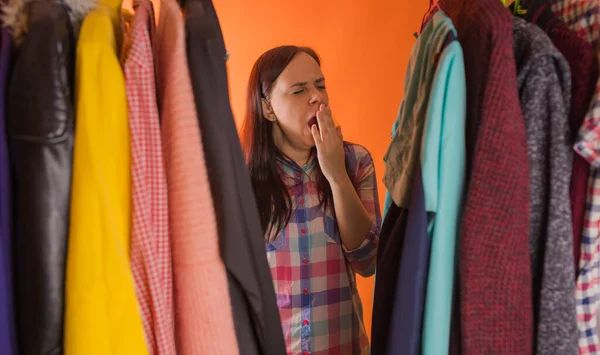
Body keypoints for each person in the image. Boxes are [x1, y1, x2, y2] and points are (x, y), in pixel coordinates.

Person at [242, 45, 381, 355]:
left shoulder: (355, 161)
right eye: (298, 90)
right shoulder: (239, 176)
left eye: (320, 85)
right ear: (267, 108)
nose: (317, 97)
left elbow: (369, 261)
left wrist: (336, 176)